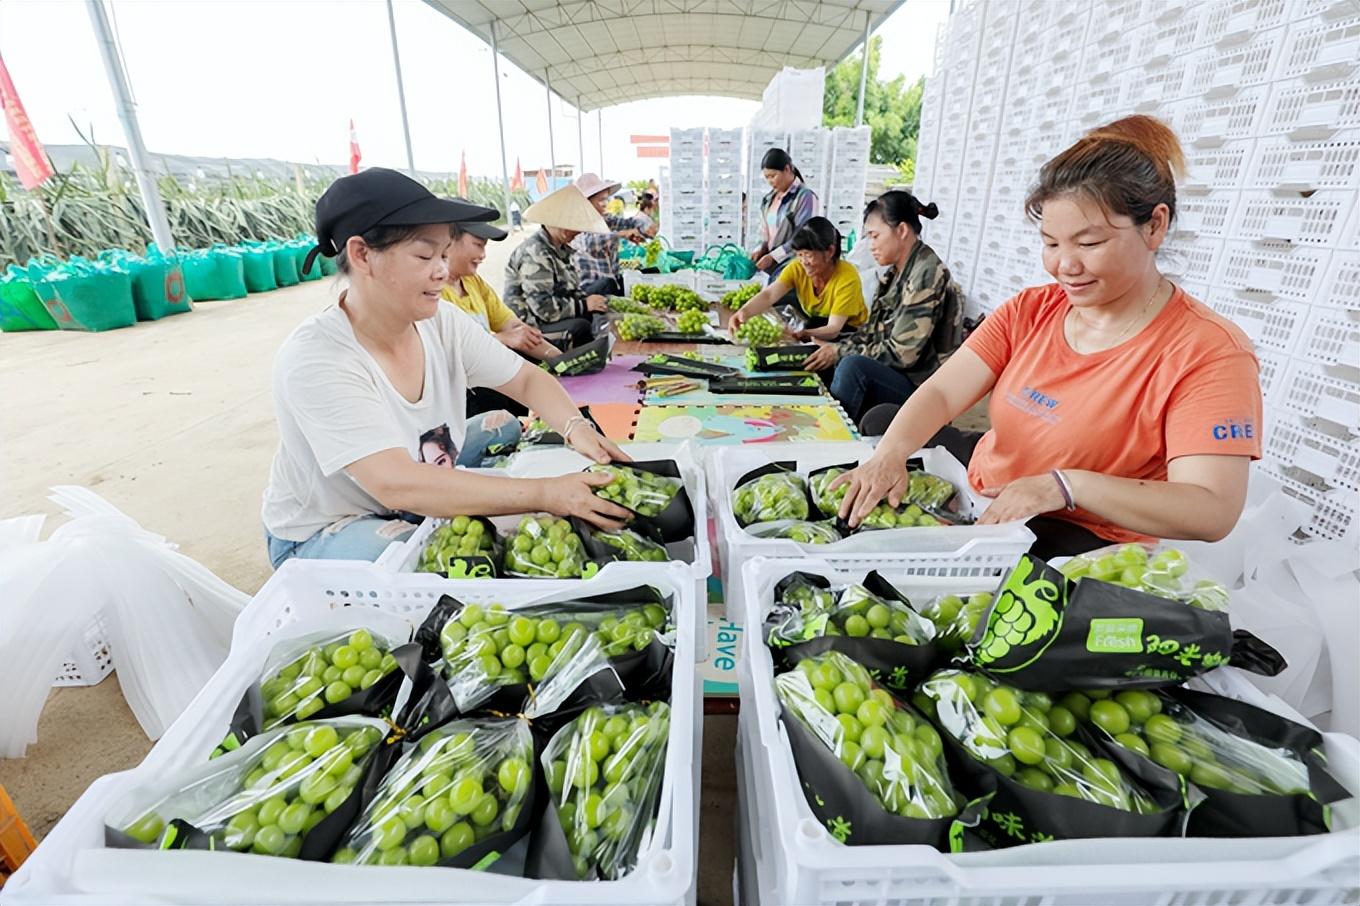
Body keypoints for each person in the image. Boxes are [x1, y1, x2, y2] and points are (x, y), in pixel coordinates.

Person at [834, 116, 1262, 560]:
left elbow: (1212, 510)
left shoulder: (1208, 352)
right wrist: (889, 455)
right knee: (886, 423)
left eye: (1089, 243)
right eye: (1051, 244)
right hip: (988, 490)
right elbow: (942, 391)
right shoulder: (1032, 309)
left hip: (1075, 531)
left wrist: (1065, 486)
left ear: (1154, 226)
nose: (1065, 266)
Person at [262, 168, 632, 567]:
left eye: (443, 254)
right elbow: (395, 483)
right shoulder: (317, 358)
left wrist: (577, 428)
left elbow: (526, 379)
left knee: (503, 423)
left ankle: (443, 495)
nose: (442, 270)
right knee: (440, 558)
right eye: (424, 255)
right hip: (329, 524)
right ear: (362, 254)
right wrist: (545, 493)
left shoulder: (442, 323)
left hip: (407, 485)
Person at [800, 191, 959, 424]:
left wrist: (840, 352)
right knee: (822, 358)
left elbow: (902, 354)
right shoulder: (896, 272)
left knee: (853, 367)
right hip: (899, 375)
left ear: (902, 231)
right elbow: (871, 333)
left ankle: (831, 438)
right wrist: (834, 349)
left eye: (875, 236)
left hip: (924, 389)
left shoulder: (926, 273)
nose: (870, 246)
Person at [442, 217, 561, 417]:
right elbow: (448, 354)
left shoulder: (473, 282)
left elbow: (516, 329)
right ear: (448, 242)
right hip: (463, 393)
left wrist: (563, 361)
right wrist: (503, 339)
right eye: (478, 245)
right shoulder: (432, 294)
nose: (483, 255)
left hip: (488, 377)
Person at [503, 184, 612, 350]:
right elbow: (544, 309)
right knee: (580, 326)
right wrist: (584, 305)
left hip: (553, 311)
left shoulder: (560, 248)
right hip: (532, 324)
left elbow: (571, 289)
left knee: (604, 288)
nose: (577, 232)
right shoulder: (536, 253)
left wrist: (591, 302)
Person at [729, 217, 867, 341]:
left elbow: (833, 329)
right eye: (799, 255)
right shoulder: (797, 267)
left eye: (808, 255)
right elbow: (769, 295)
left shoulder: (847, 278)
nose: (803, 261)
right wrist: (743, 312)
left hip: (848, 335)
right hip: (817, 325)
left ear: (830, 251)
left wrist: (804, 333)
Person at [572, 172, 647, 298]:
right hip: (591, 291)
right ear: (586, 203)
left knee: (645, 275)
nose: (605, 203)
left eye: (606, 199)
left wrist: (642, 226)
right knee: (609, 283)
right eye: (601, 200)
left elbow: (625, 223)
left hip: (610, 284)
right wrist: (622, 235)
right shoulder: (577, 224)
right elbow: (590, 244)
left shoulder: (604, 219)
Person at [749, 147, 818, 280]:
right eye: (766, 177)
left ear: (787, 169)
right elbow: (764, 232)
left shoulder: (805, 197)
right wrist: (761, 249)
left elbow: (803, 237)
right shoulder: (769, 199)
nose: (770, 181)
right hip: (772, 269)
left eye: (773, 176)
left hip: (794, 267)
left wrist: (774, 256)